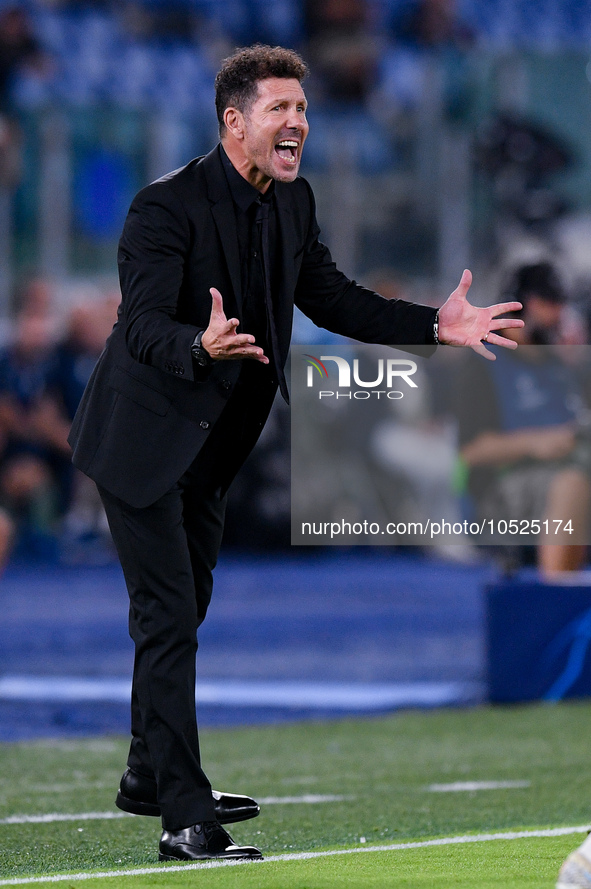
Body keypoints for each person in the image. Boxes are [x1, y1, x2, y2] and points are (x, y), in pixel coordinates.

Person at [68, 44, 524, 863]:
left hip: (210, 453)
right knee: (168, 618)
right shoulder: (160, 208)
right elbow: (139, 327)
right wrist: (199, 345)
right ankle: (181, 818)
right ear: (233, 121)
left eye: (304, 110)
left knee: (179, 615)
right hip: (141, 442)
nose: (299, 124)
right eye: (281, 109)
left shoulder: (293, 200)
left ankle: (148, 772)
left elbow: (333, 296)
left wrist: (434, 324)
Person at [456, 262, 591, 576]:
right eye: (548, 303)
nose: (557, 314)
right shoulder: (484, 363)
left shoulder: (560, 364)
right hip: (503, 487)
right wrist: (536, 443)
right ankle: (555, 601)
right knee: (572, 484)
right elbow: (470, 450)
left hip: (570, 466)